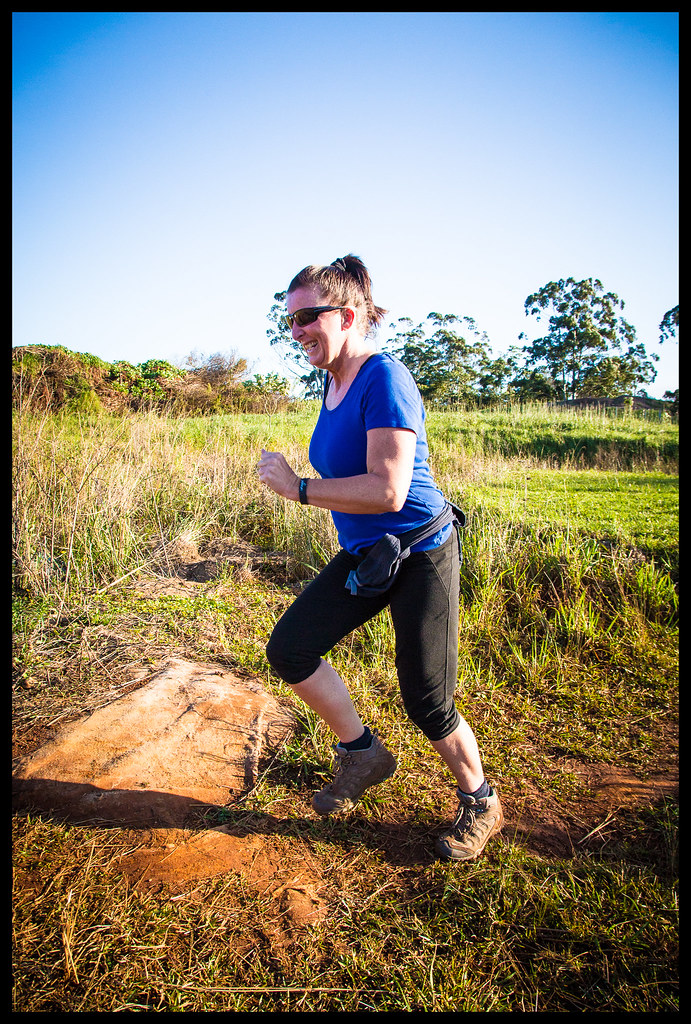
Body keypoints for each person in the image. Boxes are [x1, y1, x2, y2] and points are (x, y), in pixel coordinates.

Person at [257, 254, 503, 862]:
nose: (296, 331)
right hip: (368, 554)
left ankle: (480, 801)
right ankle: (362, 754)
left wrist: (299, 489)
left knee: (427, 699)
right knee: (290, 649)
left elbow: (389, 490)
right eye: (290, 321)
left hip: (421, 552)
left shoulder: (384, 377)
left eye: (307, 317)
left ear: (346, 315)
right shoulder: (332, 381)